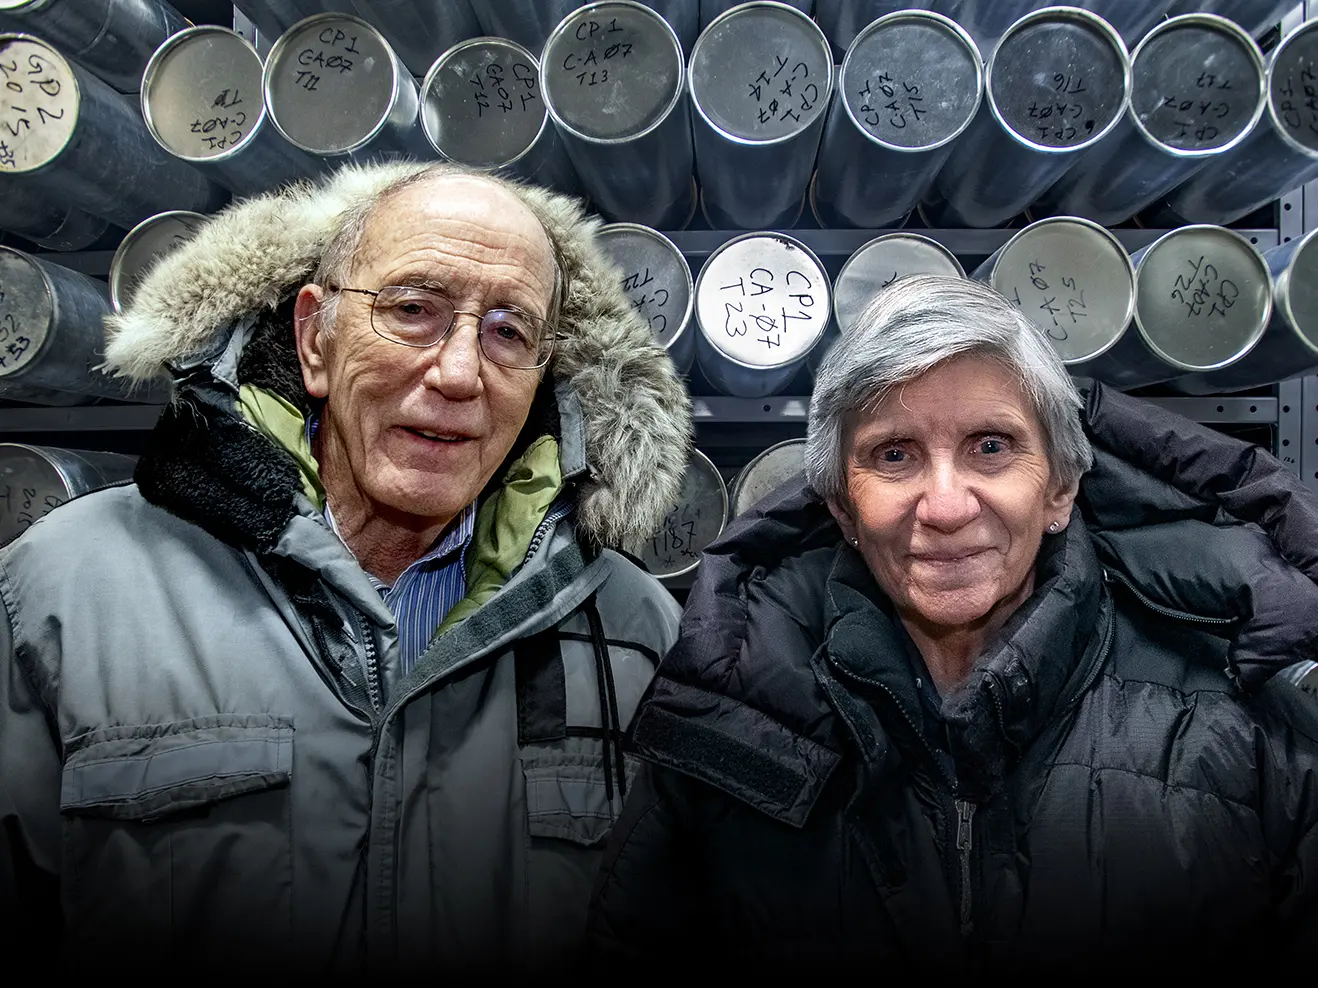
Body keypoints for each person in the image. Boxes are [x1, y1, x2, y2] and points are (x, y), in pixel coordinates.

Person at [0, 161, 693, 975]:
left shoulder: (635, 633)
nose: (460, 372)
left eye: (509, 331)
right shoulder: (69, 591)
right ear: (314, 340)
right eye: (412, 310)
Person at [587, 275, 1318, 975]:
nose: (945, 507)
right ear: (843, 507)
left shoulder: (1245, 715)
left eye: (990, 447)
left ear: (1060, 487)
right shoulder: (728, 712)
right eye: (894, 455)